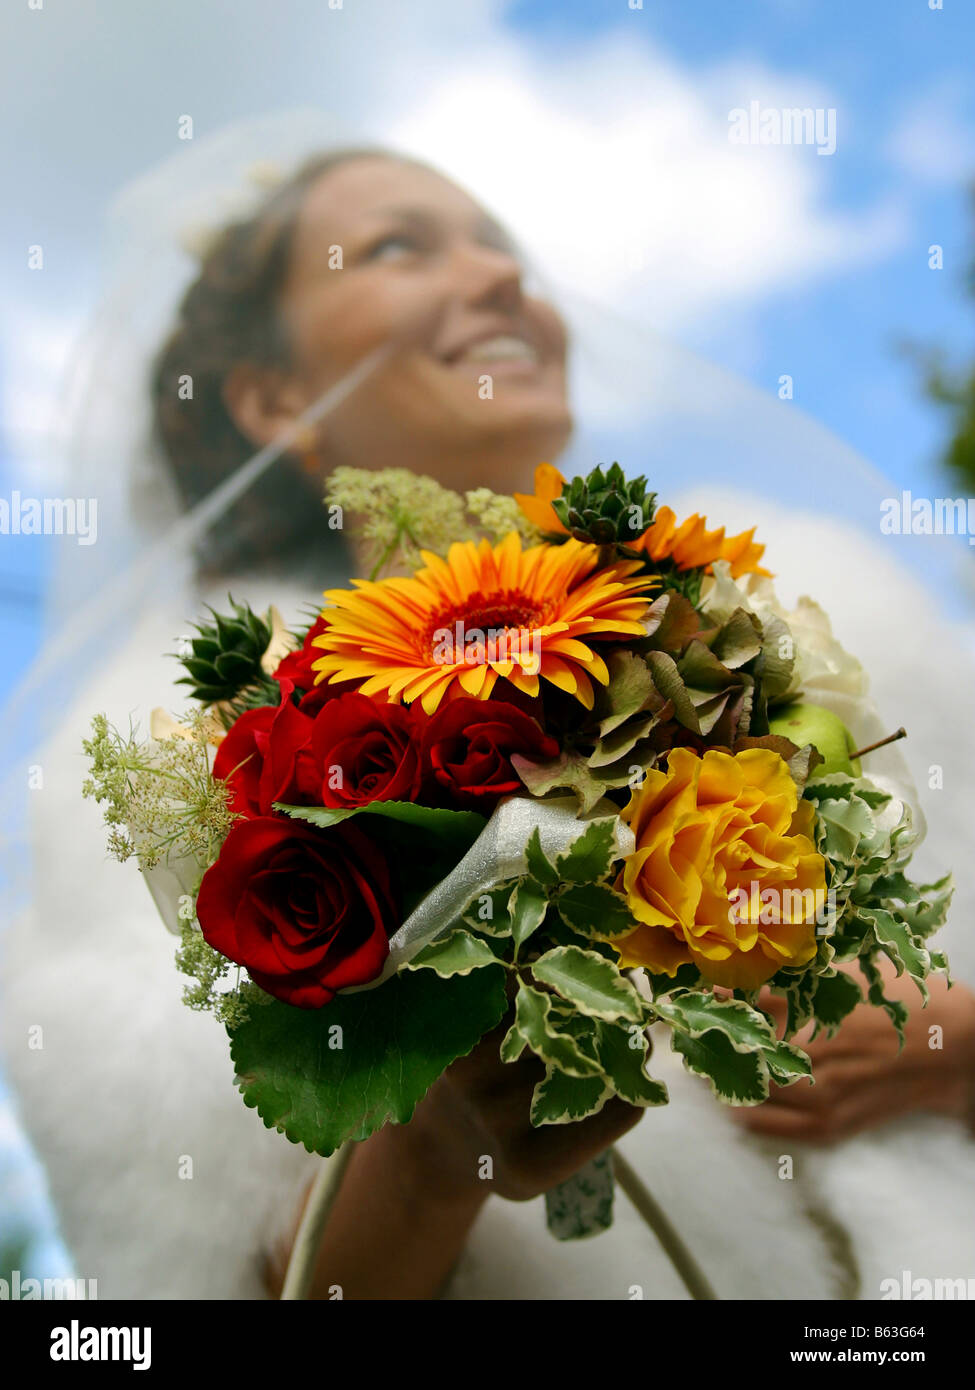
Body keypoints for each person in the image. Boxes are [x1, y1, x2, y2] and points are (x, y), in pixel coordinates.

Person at [2, 133, 973, 1301]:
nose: (504, 279)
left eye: (502, 247)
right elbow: (233, 1277)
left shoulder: (828, 608)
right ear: (271, 395)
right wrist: (433, 1144)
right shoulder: (190, 747)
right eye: (402, 247)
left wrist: (957, 1042)